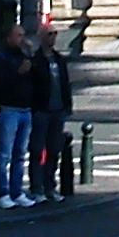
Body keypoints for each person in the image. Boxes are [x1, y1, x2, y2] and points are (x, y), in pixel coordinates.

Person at [0, 23, 36, 209]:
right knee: (4, 152)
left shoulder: (24, 56)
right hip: (9, 108)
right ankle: (2, 192)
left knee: (20, 153)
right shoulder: (1, 58)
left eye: (23, 35)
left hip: (25, 108)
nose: (22, 39)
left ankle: (17, 191)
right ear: (9, 38)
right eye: (18, 35)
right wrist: (17, 74)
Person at [28, 25, 75, 201]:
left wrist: (67, 105)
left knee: (54, 150)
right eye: (49, 34)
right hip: (42, 110)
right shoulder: (36, 60)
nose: (53, 37)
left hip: (57, 110)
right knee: (37, 150)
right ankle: (36, 188)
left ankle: (50, 187)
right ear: (41, 37)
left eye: (55, 34)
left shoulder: (59, 60)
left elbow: (65, 84)